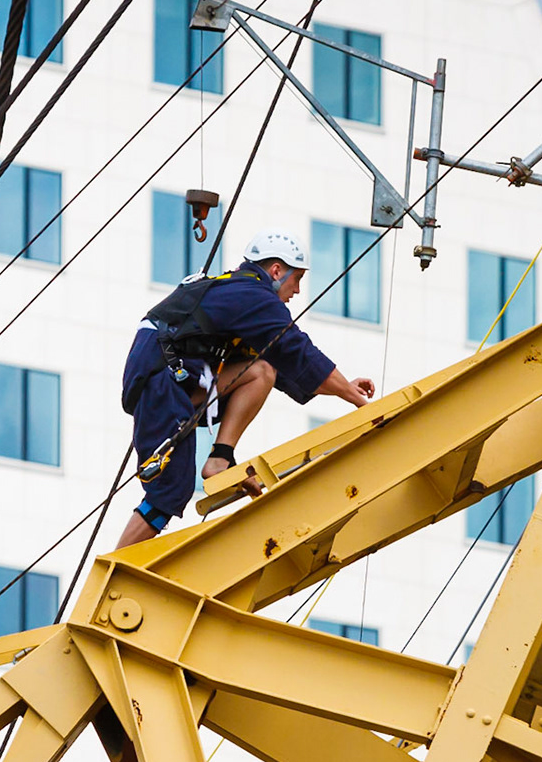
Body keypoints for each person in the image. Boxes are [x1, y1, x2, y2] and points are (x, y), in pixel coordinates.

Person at [117, 229, 375, 548]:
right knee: (169, 490)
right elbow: (299, 350)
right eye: (297, 279)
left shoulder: (237, 292)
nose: (296, 290)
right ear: (276, 271)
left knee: (262, 370)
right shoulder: (252, 295)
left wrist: (343, 386)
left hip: (175, 376)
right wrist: (353, 397)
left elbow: (286, 366)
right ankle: (117, 564)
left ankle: (221, 459)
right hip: (164, 379)